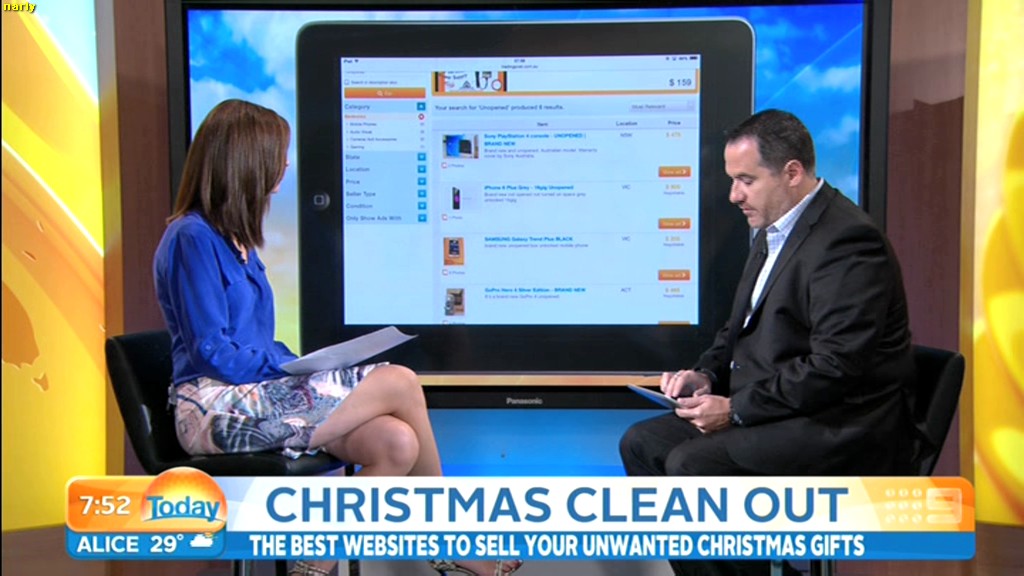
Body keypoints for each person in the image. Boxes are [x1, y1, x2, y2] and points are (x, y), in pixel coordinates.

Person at [153, 99, 521, 576]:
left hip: (255, 394)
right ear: (245, 161)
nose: (286, 166)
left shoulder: (237, 242)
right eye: (278, 155)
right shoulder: (192, 238)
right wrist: (283, 372)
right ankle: (448, 536)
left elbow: (258, 344)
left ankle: (313, 564)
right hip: (213, 408)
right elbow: (212, 351)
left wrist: (304, 365)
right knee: (400, 380)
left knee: (395, 443)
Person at [619, 109, 914, 576]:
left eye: (746, 180)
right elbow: (736, 329)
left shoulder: (848, 242)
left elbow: (836, 366)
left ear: (792, 173)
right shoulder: (772, 230)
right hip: (781, 412)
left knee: (693, 465)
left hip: (837, 426)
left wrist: (735, 409)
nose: (733, 195)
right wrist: (706, 375)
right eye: (732, 180)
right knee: (643, 443)